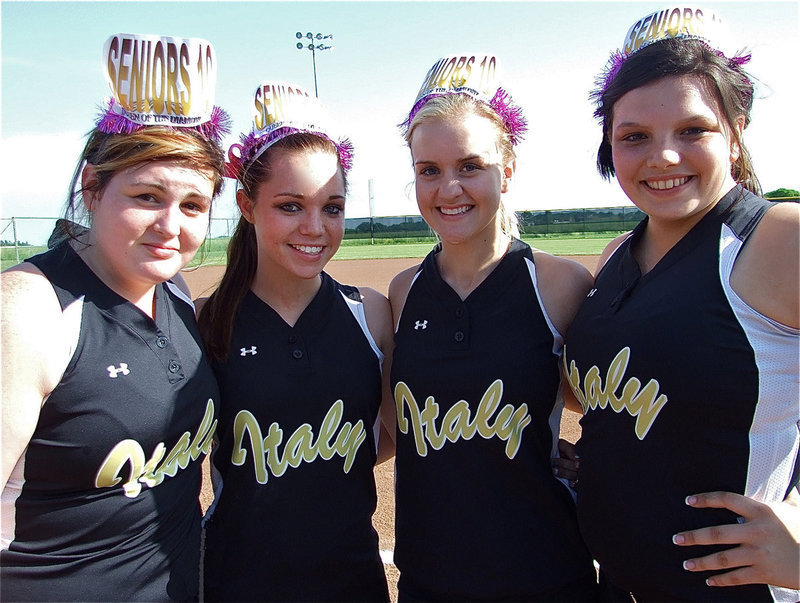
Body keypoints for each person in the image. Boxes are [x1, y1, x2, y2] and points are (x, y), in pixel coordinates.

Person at [562, 7, 799, 601]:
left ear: (735, 132)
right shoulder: (617, 255)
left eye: (693, 130)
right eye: (634, 136)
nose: (663, 156)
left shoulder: (780, 239)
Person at [1, 33, 229, 601]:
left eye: (193, 205)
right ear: (92, 187)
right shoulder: (30, 308)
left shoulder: (174, 291)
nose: (170, 226)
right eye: (147, 196)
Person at [389, 54, 599, 601]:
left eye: (470, 166)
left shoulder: (559, 284)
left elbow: (608, 401)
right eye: (428, 170)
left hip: (546, 575)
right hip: (429, 578)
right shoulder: (403, 292)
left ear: (506, 171)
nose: (448, 188)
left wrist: (596, 459)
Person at [198, 81, 394, 602]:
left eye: (332, 208)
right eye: (290, 206)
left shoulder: (371, 313)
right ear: (246, 204)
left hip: (353, 583)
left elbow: (398, 432)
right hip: (236, 583)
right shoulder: (207, 321)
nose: (315, 227)